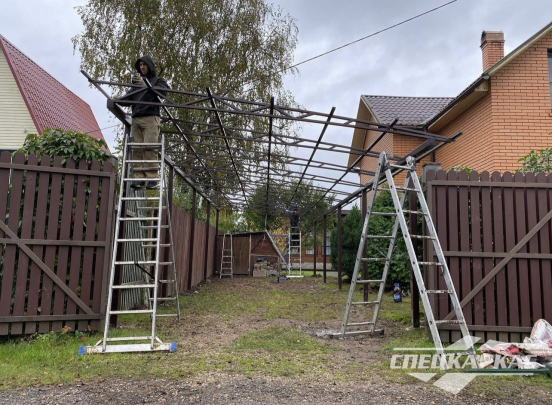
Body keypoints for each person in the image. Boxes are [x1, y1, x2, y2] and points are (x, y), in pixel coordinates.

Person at [125, 55, 169, 189]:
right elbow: (129, 97)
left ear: (150, 65)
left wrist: (145, 85)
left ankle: (152, 179)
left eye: (144, 64)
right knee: (137, 149)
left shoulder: (158, 80)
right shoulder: (137, 83)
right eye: (140, 65)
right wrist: (117, 99)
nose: (142, 67)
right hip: (136, 118)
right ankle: (138, 178)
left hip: (150, 117)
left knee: (149, 147)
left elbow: (163, 92)